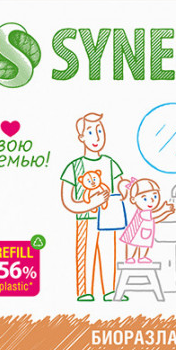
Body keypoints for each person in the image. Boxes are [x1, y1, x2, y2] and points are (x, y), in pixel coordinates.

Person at [60, 112, 129, 301]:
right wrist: (90, 203)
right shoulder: (75, 167)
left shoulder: (110, 163)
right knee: (86, 254)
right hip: (87, 219)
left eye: (100, 130)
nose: (97, 137)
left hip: (110, 219)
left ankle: (110, 290)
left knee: (109, 254)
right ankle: (84, 292)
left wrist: (125, 188)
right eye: (90, 132)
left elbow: (120, 184)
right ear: (81, 137)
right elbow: (67, 201)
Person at [119, 178, 175, 263]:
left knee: (144, 245)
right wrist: (164, 209)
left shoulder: (148, 212)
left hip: (145, 234)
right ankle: (129, 257)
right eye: (145, 199)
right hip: (134, 234)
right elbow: (154, 215)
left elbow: (156, 219)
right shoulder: (142, 212)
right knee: (132, 245)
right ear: (133, 200)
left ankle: (142, 257)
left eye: (155, 197)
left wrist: (167, 213)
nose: (152, 201)